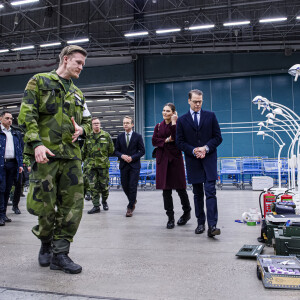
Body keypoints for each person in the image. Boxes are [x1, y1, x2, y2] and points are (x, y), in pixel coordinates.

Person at [18, 45, 92, 274]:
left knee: (73, 206)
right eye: (78, 62)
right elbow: (27, 114)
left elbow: (88, 122)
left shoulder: (79, 94)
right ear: (66, 59)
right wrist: (36, 144)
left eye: (83, 64)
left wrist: (83, 130)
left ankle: (61, 254)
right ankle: (45, 243)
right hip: (45, 156)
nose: (81, 67)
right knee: (45, 206)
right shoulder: (39, 81)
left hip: (71, 157)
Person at [176, 89, 223, 237]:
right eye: (195, 101)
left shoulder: (211, 116)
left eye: (200, 102)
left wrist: (205, 148)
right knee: (197, 194)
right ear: (189, 101)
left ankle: (212, 226)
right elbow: (179, 142)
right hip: (193, 161)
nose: (197, 104)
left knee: (210, 192)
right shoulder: (182, 121)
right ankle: (200, 223)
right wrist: (194, 150)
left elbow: (218, 137)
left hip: (209, 160)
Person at [152, 103, 191, 229]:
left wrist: (175, 123)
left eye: (168, 111)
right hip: (163, 161)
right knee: (166, 191)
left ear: (173, 112)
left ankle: (186, 213)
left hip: (175, 160)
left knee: (181, 189)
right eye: (163, 110)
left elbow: (176, 138)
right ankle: (170, 218)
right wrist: (166, 141)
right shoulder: (158, 126)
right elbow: (154, 141)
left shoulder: (178, 124)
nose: (164, 113)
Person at [82, 117, 114, 214]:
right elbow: (83, 151)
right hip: (91, 167)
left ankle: (104, 201)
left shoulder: (106, 135)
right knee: (93, 187)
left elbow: (111, 150)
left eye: (98, 123)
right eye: (94, 123)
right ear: (91, 125)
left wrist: (102, 158)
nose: (96, 125)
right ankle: (96, 206)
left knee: (104, 186)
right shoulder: (88, 136)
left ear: (100, 124)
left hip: (103, 166)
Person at [115, 116, 145, 217]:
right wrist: (122, 156)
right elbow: (116, 151)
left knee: (132, 186)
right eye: (124, 123)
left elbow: (142, 151)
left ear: (132, 124)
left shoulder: (138, 136)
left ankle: (130, 207)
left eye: (127, 123)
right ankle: (133, 200)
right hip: (123, 165)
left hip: (134, 165)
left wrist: (132, 157)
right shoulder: (119, 137)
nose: (125, 124)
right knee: (124, 185)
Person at [0, 111, 23, 226]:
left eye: (11, 119)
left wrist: (20, 164)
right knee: (1, 189)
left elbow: (19, 150)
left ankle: (3, 214)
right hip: (1, 165)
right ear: (1, 119)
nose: (10, 120)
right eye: (7, 118)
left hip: (12, 164)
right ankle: (0, 215)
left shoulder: (15, 133)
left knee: (8, 189)